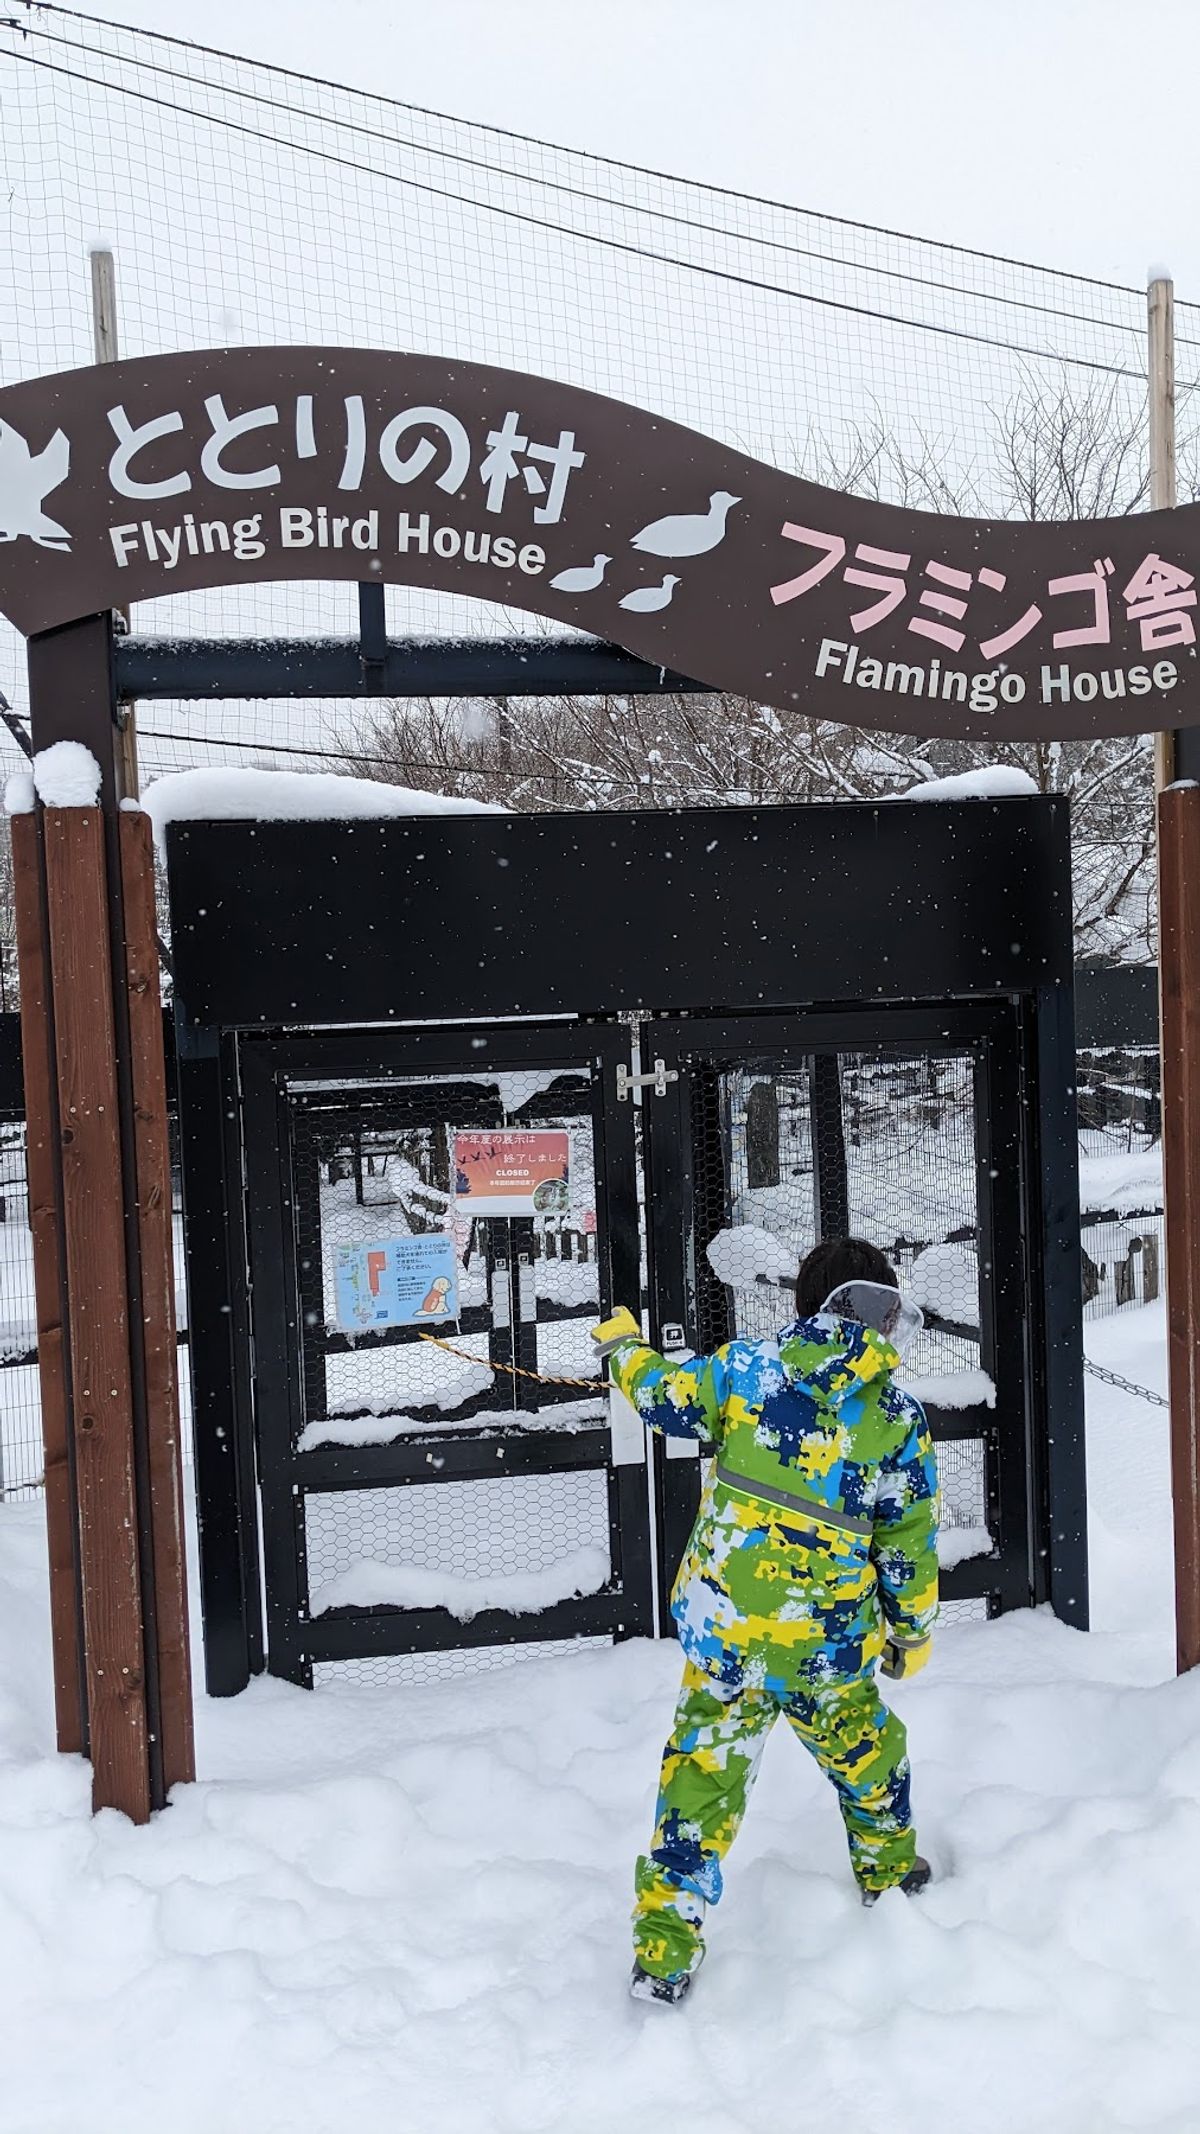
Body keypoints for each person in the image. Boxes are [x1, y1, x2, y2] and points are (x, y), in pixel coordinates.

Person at [591, 1236, 939, 2006]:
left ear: (805, 1306)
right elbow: (908, 1542)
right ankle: (891, 1876)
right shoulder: (892, 1416)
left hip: (727, 1638)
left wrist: (621, 1348)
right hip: (827, 1648)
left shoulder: (745, 1372)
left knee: (699, 1785)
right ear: (882, 1310)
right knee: (870, 1756)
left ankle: (665, 1950)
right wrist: (910, 1631)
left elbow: (661, 1394)